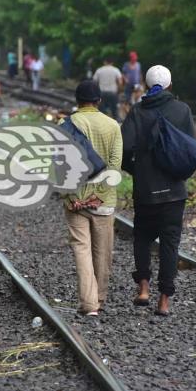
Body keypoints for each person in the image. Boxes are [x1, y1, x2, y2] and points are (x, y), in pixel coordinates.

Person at [121, 65, 196, 316]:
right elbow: (190, 147)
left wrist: (137, 170)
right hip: (174, 191)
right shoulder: (182, 110)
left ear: (145, 83)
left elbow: (124, 149)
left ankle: (143, 288)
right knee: (170, 244)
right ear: (170, 86)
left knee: (142, 237)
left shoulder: (138, 111)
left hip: (146, 190)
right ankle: (164, 300)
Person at [64, 80, 122, 316]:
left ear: (77, 102)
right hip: (103, 200)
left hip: (75, 199)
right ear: (99, 101)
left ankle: (88, 305)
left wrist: (68, 197)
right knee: (103, 251)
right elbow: (115, 168)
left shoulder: (66, 125)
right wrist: (98, 195)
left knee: (81, 249)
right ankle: (98, 299)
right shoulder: (113, 126)